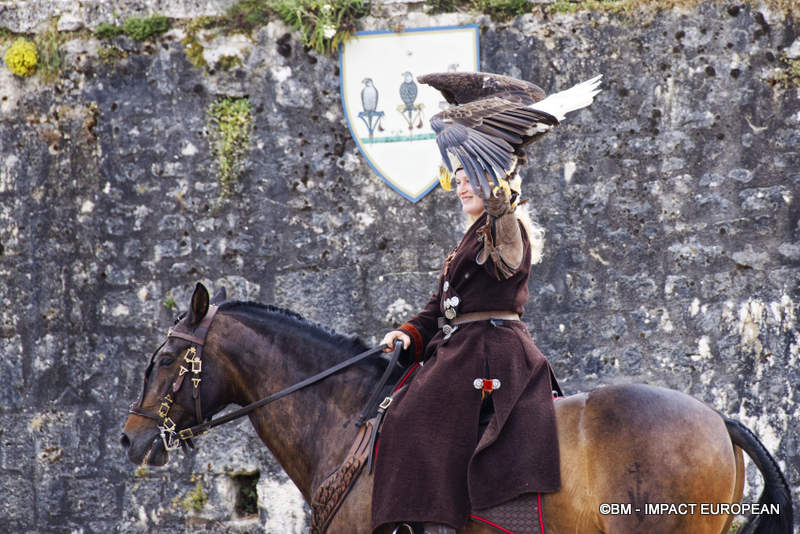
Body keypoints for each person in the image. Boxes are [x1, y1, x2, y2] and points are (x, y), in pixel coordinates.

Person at [371, 168, 562, 534]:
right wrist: (408, 333)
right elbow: (441, 306)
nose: (461, 188)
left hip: (490, 349)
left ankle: (436, 523)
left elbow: (507, 253)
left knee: (410, 414)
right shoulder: (467, 240)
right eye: (456, 181)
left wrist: (501, 206)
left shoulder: (505, 228)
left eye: (469, 178)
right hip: (463, 346)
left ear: (494, 182)